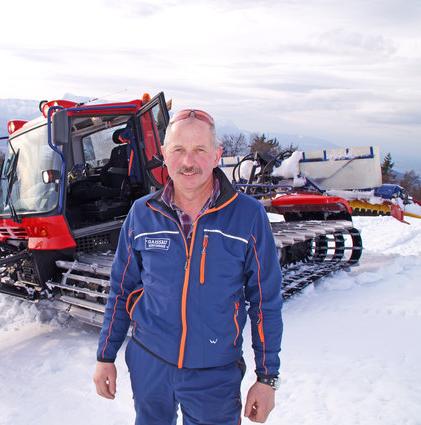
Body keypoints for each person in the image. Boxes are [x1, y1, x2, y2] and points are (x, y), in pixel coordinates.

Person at [93, 109, 283, 424]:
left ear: (217, 155)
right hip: (149, 362)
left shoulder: (248, 217)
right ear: (164, 154)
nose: (188, 161)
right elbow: (121, 289)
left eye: (199, 150)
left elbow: (265, 302)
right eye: (178, 150)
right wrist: (105, 356)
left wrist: (267, 378)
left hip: (215, 372)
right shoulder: (142, 213)